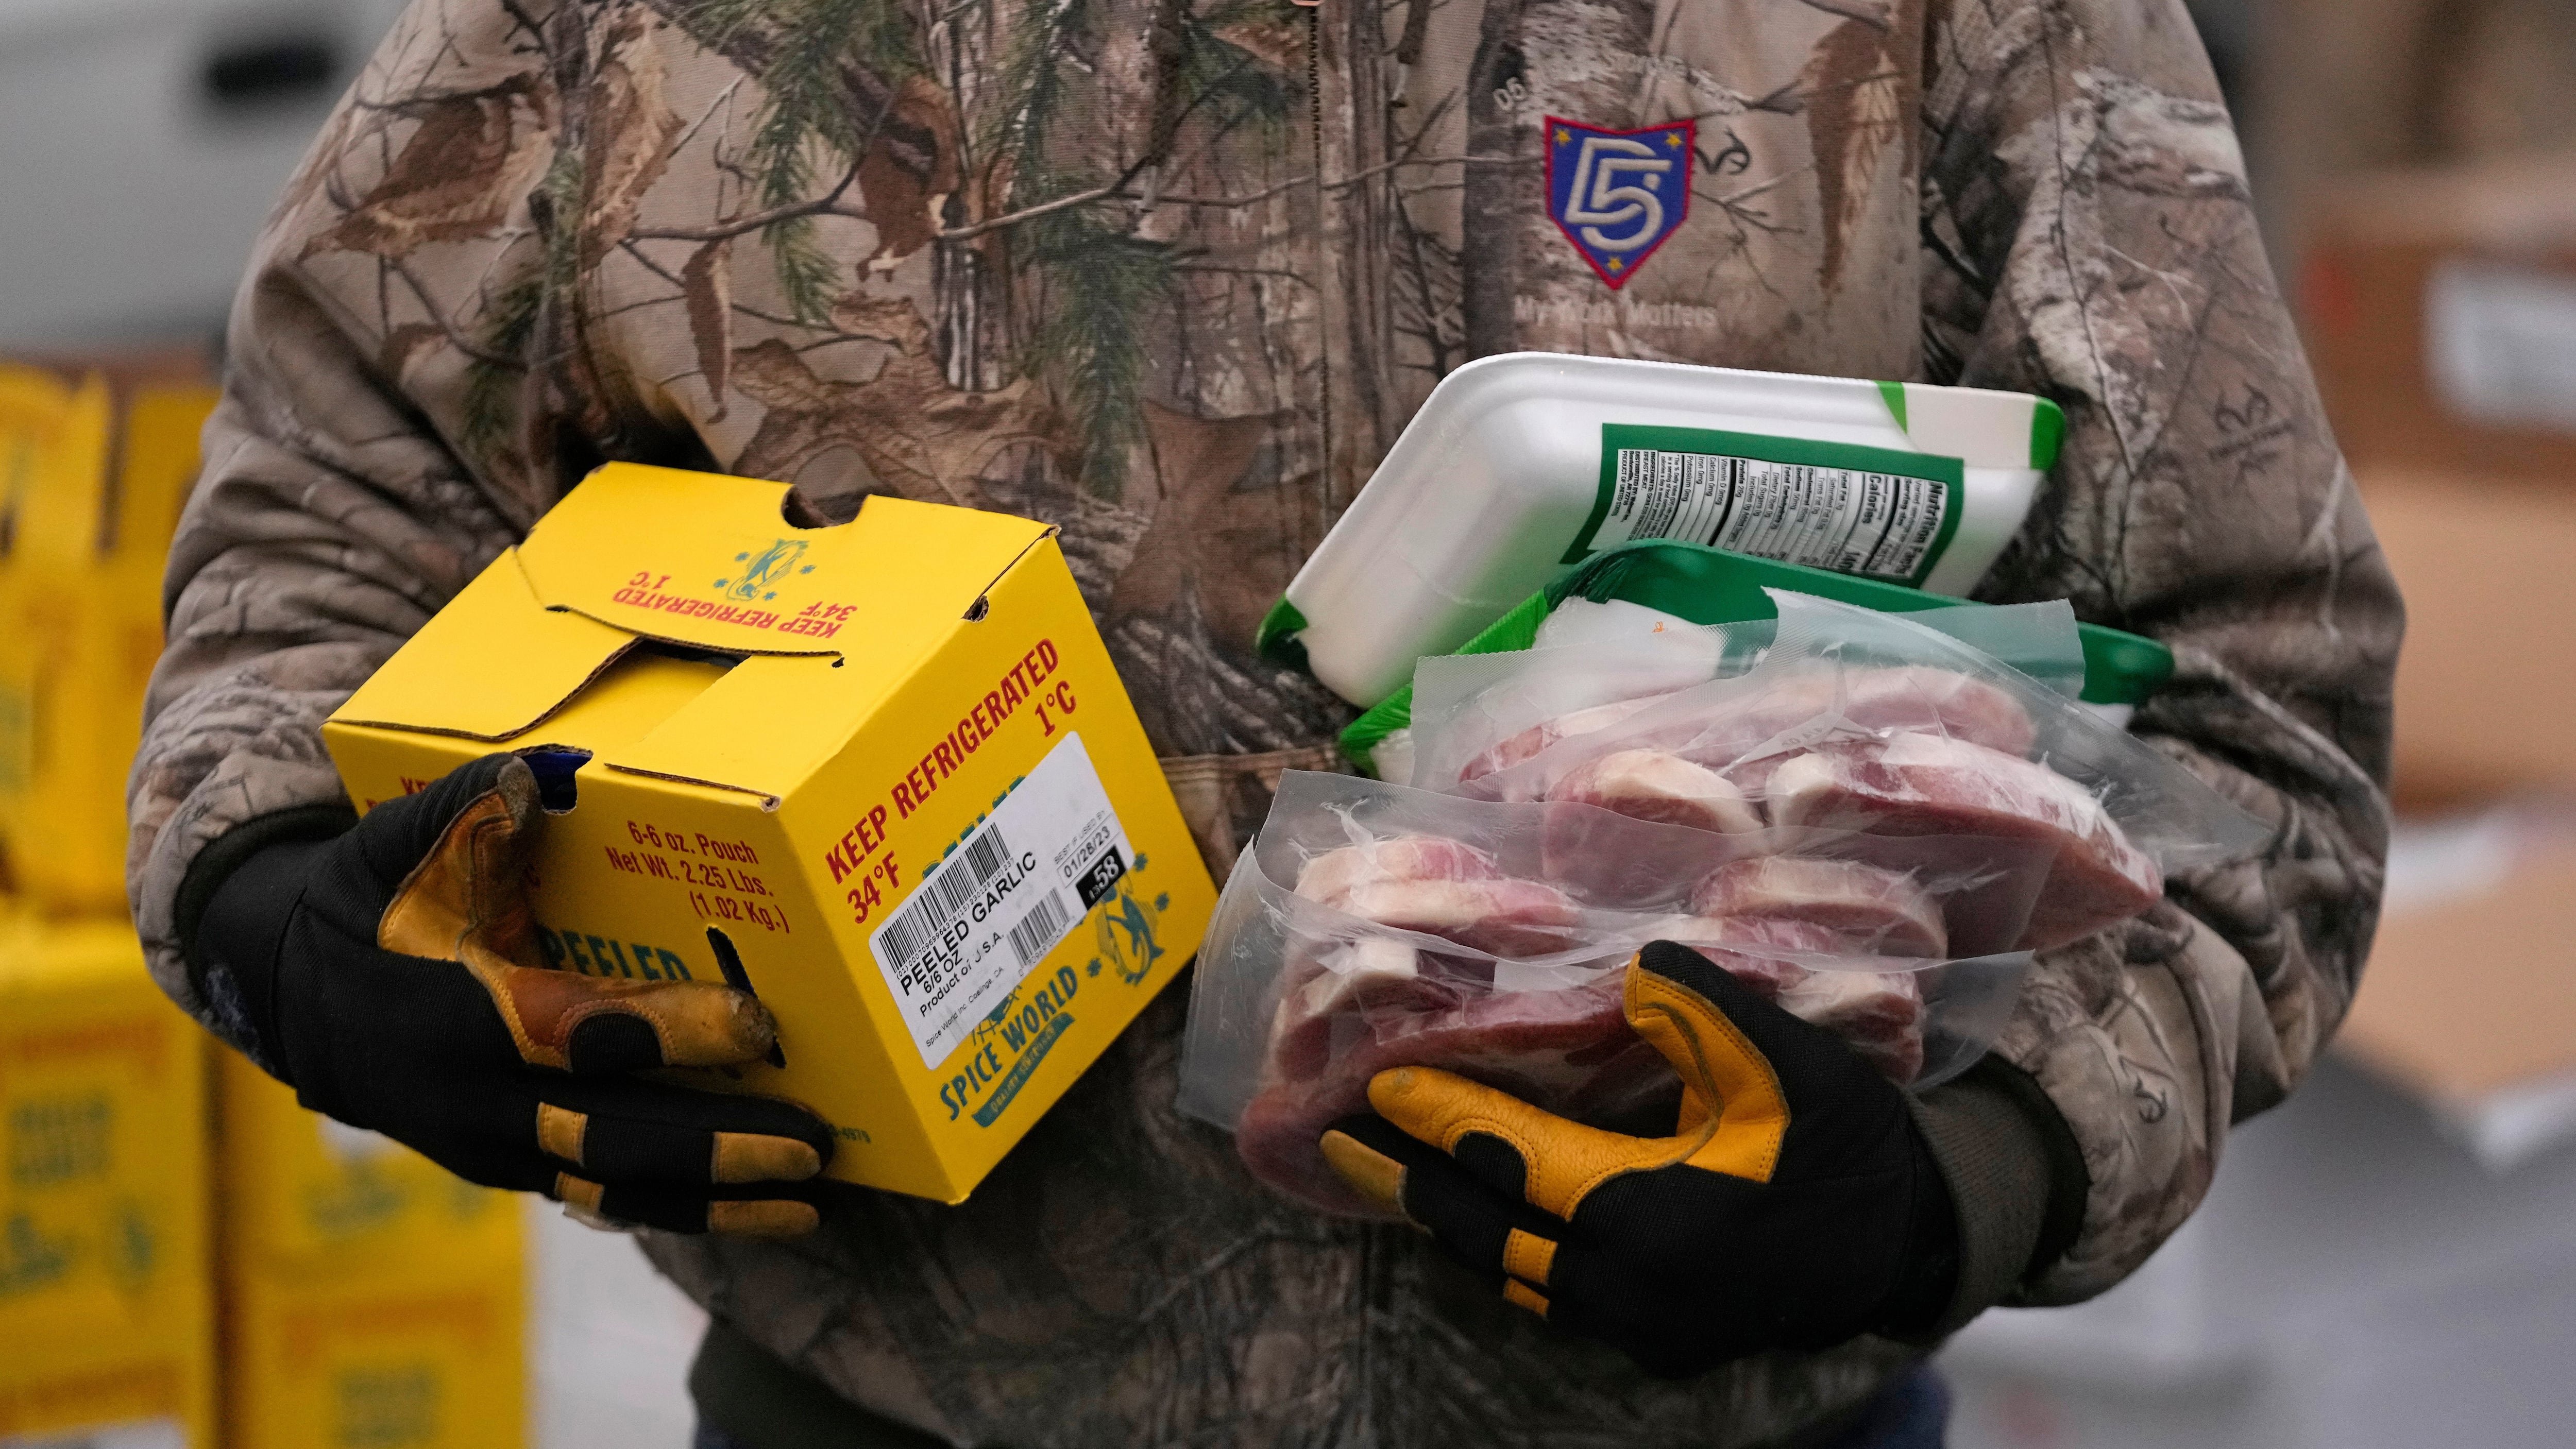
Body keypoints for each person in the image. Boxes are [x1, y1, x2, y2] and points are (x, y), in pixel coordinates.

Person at [133, 0, 2400, 1443]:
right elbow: (327, 528)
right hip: (887, 1411)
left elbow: (2248, 710)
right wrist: (284, 910)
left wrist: (1954, 1180)